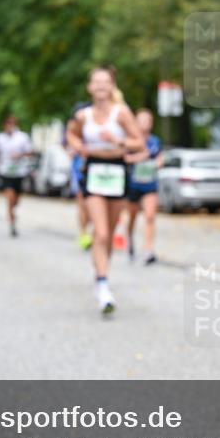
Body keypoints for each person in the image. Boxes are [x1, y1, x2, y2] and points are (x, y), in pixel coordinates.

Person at [66, 67, 144, 314]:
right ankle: (102, 284)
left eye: (105, 82)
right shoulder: (83, 115)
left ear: (112, 86)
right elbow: (71, 134)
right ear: (90, 87)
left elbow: (138, 142)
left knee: (109, 234)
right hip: (94, 171)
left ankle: (102, 273)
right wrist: (79, 147)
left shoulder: (121, 113)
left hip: (117, 170)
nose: (100, 86)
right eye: (96, 82)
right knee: (99, 232)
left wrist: (117, 141)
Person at [124, 107, 163, 264]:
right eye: (141, 120)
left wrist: (158, 163)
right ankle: (130, 238)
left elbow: (160, 158)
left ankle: (148, 250)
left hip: (149, 184)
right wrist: (141, 156)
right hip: (133, 185)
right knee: (132, 217)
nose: (144, 123)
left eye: (147, 120)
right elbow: (124, 158)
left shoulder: (154, 141)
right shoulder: (130, 140)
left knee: (150, 216)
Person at [0, 115, 35, 237]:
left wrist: (19, 155)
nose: (9, 126)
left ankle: (12, 209)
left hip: (20, 172)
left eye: (12, 123)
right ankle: (12, 222)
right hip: (5, 172)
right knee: (10, 197)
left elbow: (30, 152)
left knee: (17, 199)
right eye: (7, 123)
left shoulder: (22, 137)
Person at [67, 100, 93, 250]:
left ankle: (92, 230)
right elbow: (69, 147)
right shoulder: (73, 128)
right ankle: (84, 233)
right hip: (79, 169)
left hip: (95, 169)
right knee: (82, 204)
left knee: (92, 205)